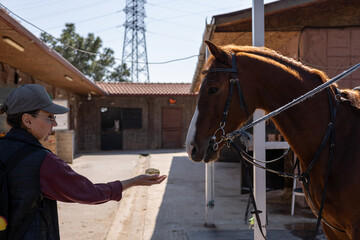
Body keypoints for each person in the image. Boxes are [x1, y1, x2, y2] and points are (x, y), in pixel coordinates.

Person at [0, 84, 167, 240]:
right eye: (49, 117)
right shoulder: (43, 161)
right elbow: (90, 192)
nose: (55, 123)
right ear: (27, 120)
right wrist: (134, 181)